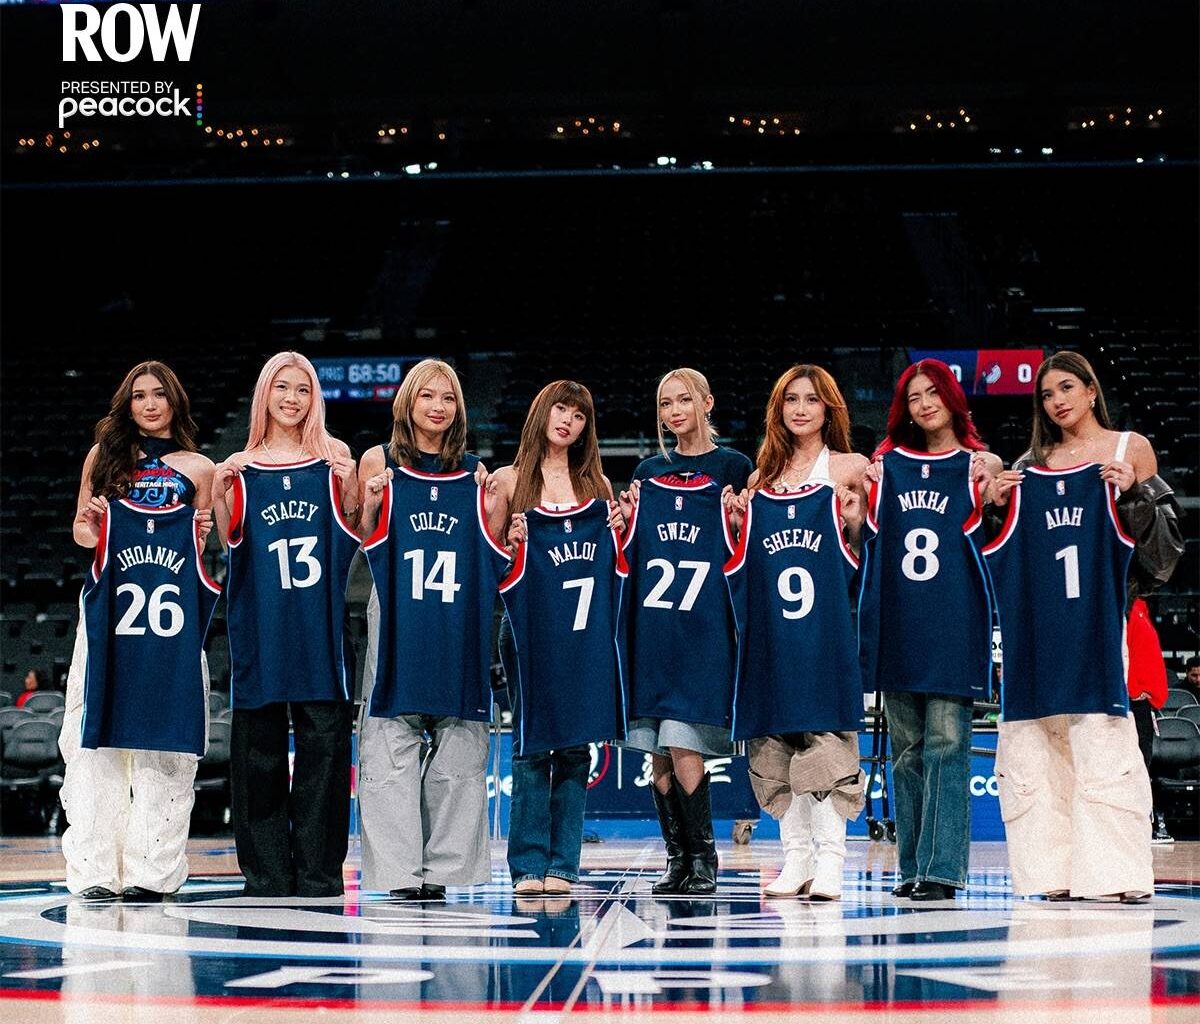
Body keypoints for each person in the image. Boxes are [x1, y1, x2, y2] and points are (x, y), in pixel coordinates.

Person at [985, 350, 1182, 902]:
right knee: (1038, 745)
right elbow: (1003, 555)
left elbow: (1163, 560)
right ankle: (1051, 875)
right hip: (1040, 628)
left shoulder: (1130, 449)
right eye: (1047, 394)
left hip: (1103, 621)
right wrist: (995, 507)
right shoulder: (1031, 464)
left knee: (1103, 742)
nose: (1058, 402)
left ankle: (1116, 877)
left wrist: (1136, 495)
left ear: (1092, 390)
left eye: (1067, 388)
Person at [61, 361, 216, 902]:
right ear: (126, 405)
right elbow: (81, 530)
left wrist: (199, 534)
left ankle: (155, 870)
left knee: (166, 743)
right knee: (95, 740)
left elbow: (203, 546)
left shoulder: (200, 468)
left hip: (172, 620)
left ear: (175, 401)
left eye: (159, 395)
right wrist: (97, 525)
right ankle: (95, 870)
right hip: (109, 613)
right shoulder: (103, 457)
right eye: (138, 397)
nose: (149, 405)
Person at [212, 351, 360, 898]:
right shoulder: (240, 467)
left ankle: (320, 874)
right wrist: (219, 493)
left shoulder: (335, 459)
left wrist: (354, 489)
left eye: (303, 389)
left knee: (324, 759)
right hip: (261, 631)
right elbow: (224, 539)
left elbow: (359, 531)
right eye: (282, 387)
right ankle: (268, 874)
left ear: (314, 398)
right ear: (265, 395)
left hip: (320, 632)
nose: (292, 398)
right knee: (258, 759)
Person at [356, 359, 500, 900]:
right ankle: (397, 876)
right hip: (394, 614)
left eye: (448, 398)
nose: (438, 407)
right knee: (388, 741)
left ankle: (445, 871)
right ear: (408, 403)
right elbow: (364, 538)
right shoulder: (381, 461)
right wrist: (371, 504)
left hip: (456, 618)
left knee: (461, 742)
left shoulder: (473, 474)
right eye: (427, 397)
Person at [858, 359, 1001, 902]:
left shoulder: (977, 466)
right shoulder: (886, 465)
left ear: (950, 397)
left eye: (932, 392)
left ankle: (942, 871)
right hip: (898, 624)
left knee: (947, 745)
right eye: (913, 396)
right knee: (906, 750)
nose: (923, 403)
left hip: (954, 627)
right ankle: (910, 867)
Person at [731, 365, 869, 900]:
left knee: (828, 744)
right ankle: (795, 859)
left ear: (829, 407)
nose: (801, 408)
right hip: (771, 635)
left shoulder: (851, 468)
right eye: (791, 399)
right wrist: (737, 521)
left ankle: (832, 860)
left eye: (812, 399)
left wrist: (854, 519)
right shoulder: (760, 482)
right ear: (778, 409)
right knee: (774, 750)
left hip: (827, 632)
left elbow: (862, 550)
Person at [617, 367, 752, 896]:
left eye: (683, 401)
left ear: (707, 402)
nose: (674, 412)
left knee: (684, 743)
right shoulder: (649, 472)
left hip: (703, 628)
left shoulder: (733, 466)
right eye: (665, 404)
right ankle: (678, 858)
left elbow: (743, 543)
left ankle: (704, 857)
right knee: (657, 752)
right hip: (654, 628)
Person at [488, 380, 623, 895]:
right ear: (541, 412)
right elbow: (493, 562)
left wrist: (619, 524)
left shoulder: (599, 487)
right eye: (561, 409)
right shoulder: (508, 480)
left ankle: (564, 863)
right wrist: (509, 543)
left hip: (584, 634)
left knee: (573, 749)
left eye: (580, 415)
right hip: (526, 631)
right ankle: (526, 864)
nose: (568, 420)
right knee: (531, 744)